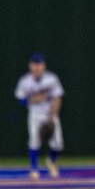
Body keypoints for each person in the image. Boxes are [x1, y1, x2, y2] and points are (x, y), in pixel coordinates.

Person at [13, 52, 65, 180]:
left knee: (58, 145)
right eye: (34, 64)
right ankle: (34, 168)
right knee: (34, 141)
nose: (37, 67)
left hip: (50, 113)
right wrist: (34, 99)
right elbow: (21, 100)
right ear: (30, 66)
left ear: (44, 66)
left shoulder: (52, 79)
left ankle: (51, 161)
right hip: (35, 115)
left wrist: (52, 116)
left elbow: (58, 98)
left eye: (39, 64)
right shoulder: (25, 81)